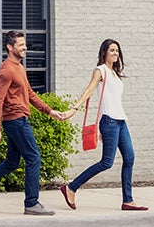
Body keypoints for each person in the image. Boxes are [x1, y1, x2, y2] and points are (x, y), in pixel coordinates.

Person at [0, 30, 67, 215]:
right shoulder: (6, 70)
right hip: (16, 120)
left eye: (25, 44)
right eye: (21, 45)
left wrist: (49, 111)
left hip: (19, 119)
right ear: (10, 47)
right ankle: (31, 203)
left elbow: (30, 93)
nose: (25, 47)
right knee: (33, 158)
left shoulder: (19, 67)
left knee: (11, 162)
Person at [60, 39, 147, 211]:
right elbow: (89, 91)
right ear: (104, 52)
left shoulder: (114, 73)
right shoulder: (100, 71)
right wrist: (73, 109)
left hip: (120, 121)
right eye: (112, 50)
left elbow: (109, 99)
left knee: (129, 158)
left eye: (117, 51)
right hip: (109, 122)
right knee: (107, 162)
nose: (115, 53)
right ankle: (71, 187)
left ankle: (128, 200)